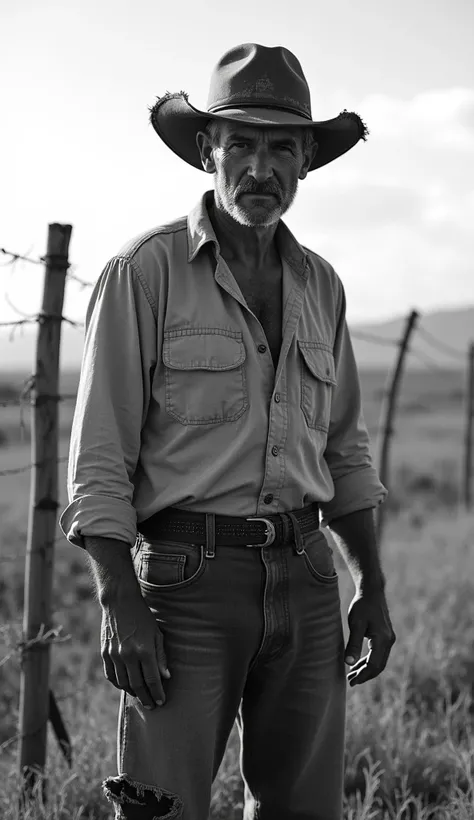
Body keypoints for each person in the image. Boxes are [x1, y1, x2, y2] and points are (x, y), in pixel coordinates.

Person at [59, 42, 396, 820]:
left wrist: (370, 585)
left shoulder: (322, 285)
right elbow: (99, 460)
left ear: (307, 159)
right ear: (206, 150)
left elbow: (344, 449)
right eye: (240, 142)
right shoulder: (144, 271)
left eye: (281, 146)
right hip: (185, 585)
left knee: (303, 810)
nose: (260, 167)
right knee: (164, 807)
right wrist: (121, 603)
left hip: (310, 579)